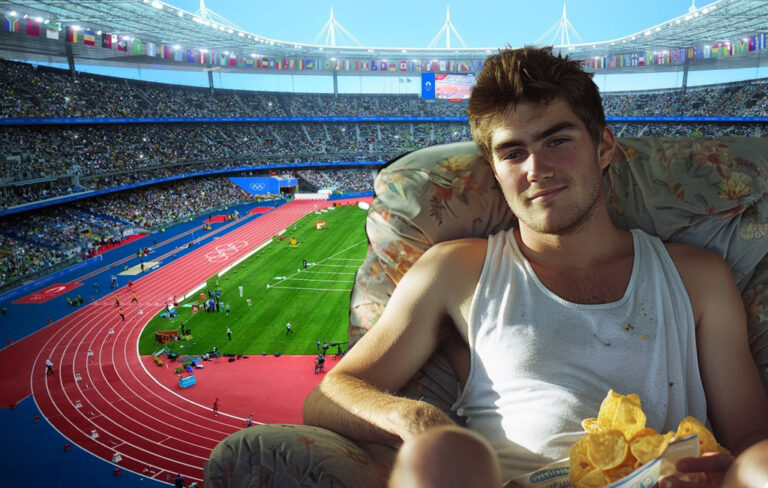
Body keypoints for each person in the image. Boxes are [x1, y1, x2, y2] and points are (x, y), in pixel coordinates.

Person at [302, 46, 768, 488]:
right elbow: (331, 393)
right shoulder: (455, 270)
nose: (536, 169)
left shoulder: (697, 276)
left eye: (558, 140)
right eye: (512, 152)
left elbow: (751, 437)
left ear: (604, 147)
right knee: (434, 456)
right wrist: (417, 421)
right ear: (494, 167)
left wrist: (727, 469)